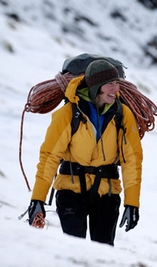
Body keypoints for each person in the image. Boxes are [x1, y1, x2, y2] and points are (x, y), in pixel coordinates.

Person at [27, 59, 143, 246]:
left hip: (107, 193)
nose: (115, 89)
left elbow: (132, 161)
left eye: (117, 83)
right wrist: (38, 198)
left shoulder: (123, 115)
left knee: (104, 252)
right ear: (95, 86)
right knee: (74, 248)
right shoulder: (68, 113)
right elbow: (50, 157)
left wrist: (132, 203)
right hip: (71, 192)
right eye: (109, 84)